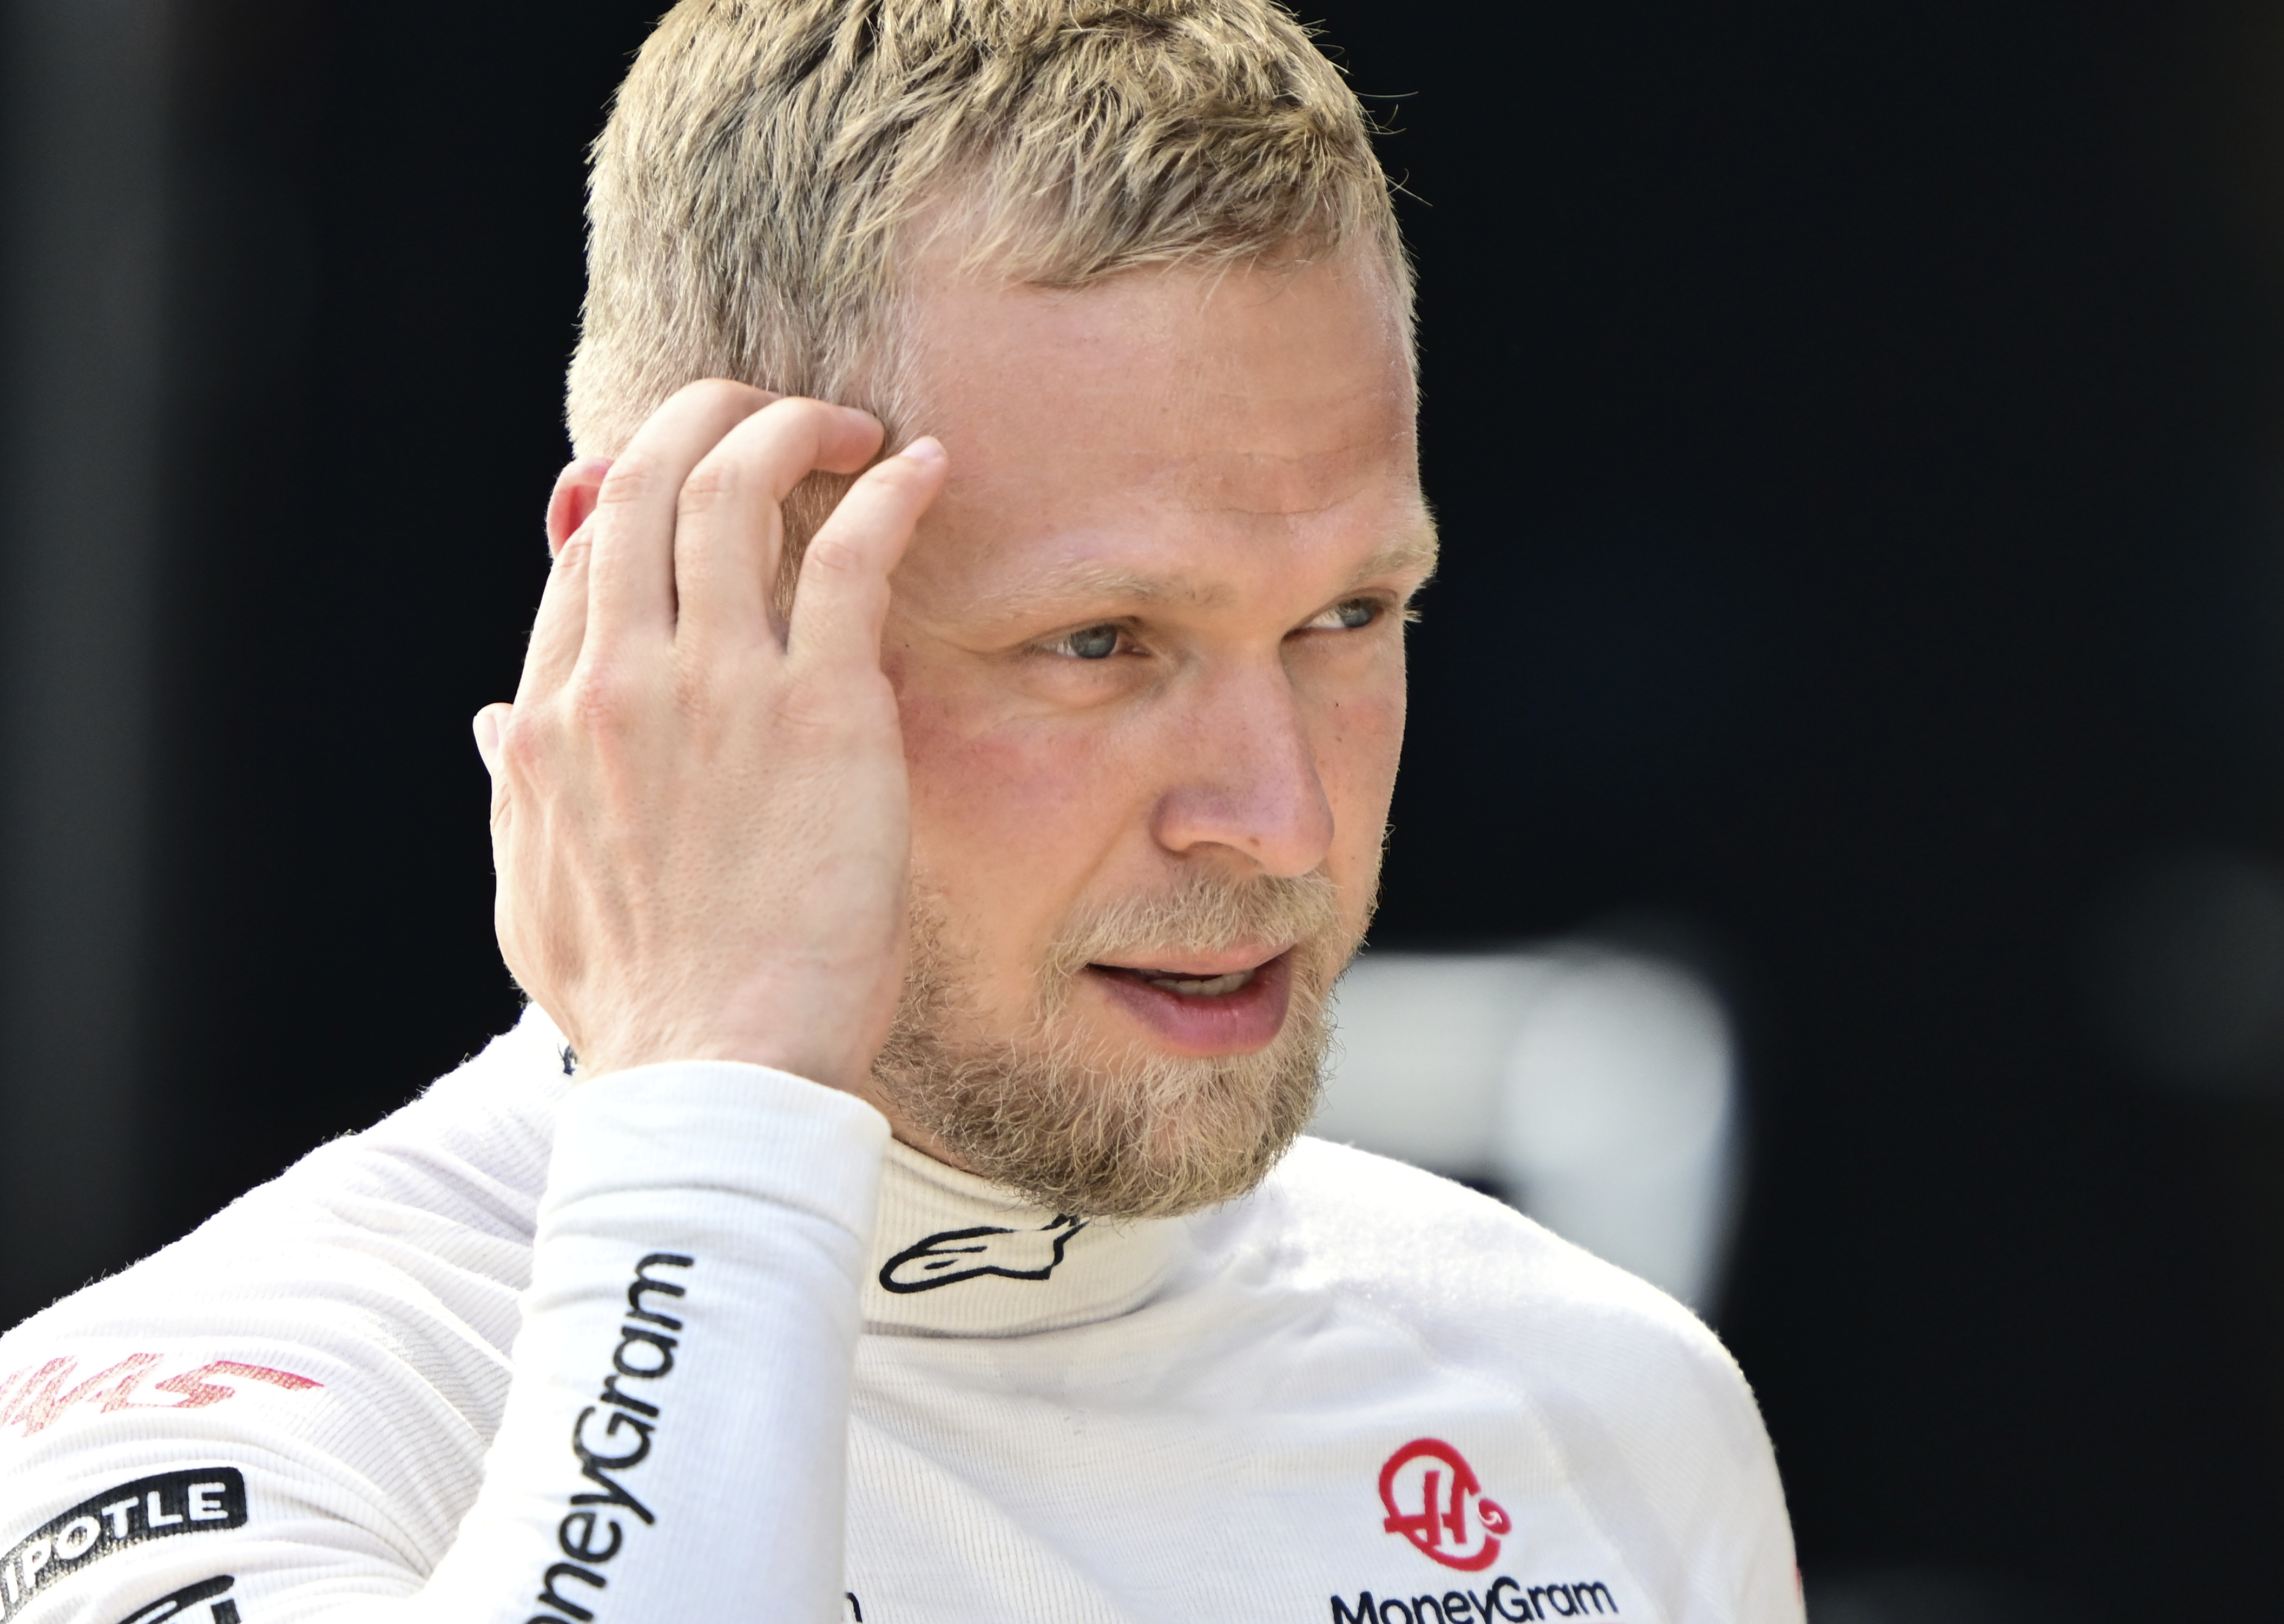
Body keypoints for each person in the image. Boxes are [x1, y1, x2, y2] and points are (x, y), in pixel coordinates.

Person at [0, 1, 1802, 1619]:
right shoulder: (209, 1419)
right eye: (1100, 641)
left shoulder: (1603, 1407)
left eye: (1348, 617)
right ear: (668, 606)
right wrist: (713, 1076)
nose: (1280, 819)